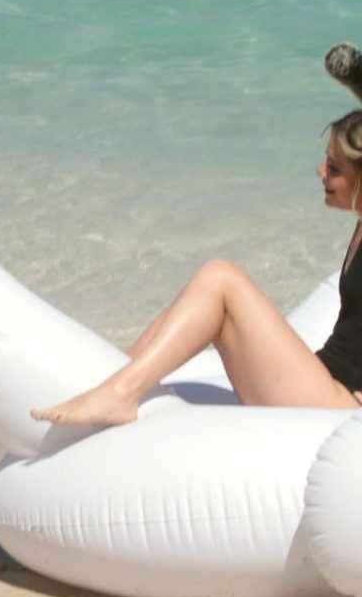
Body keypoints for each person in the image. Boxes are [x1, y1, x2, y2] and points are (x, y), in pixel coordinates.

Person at [32, 110, 362, 427]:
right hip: (323, 379)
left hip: (338, 408)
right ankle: (110, 380)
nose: (321, 172)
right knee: (211, 291)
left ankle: (118, 393)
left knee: (221, 279)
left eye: (334, 169)